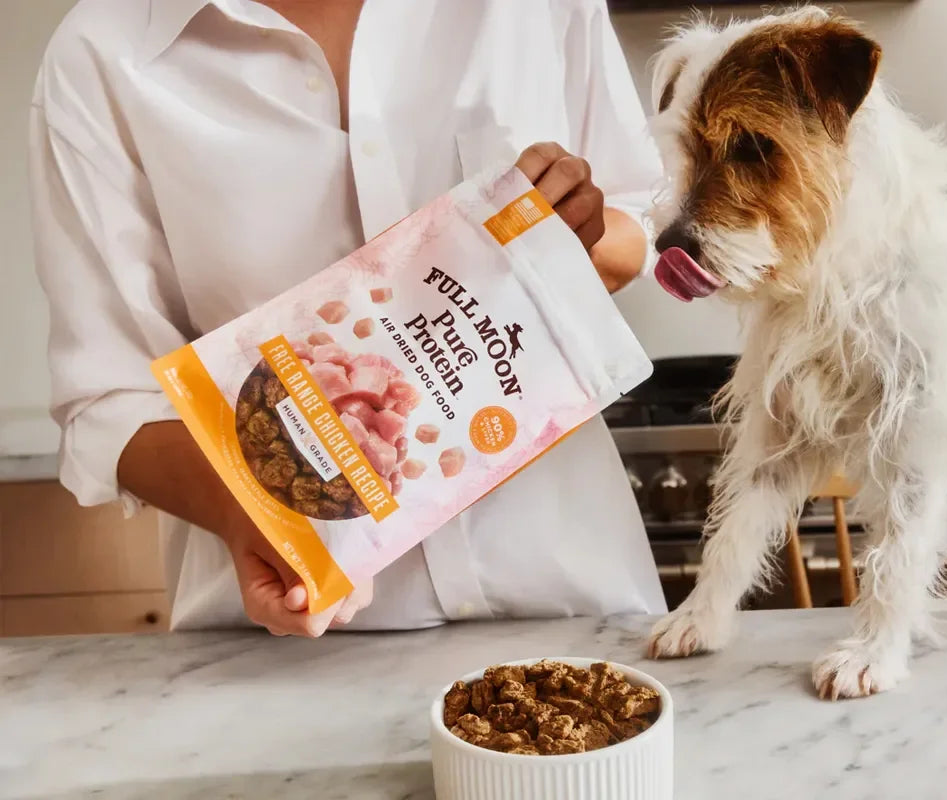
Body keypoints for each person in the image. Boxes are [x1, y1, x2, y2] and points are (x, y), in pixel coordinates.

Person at [30, 0, 666, 636]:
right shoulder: (105, 52)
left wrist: (580, 235)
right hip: (294, 652)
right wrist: (250, 513)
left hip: (575, 608)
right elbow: (110, 403)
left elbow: (646, 220)